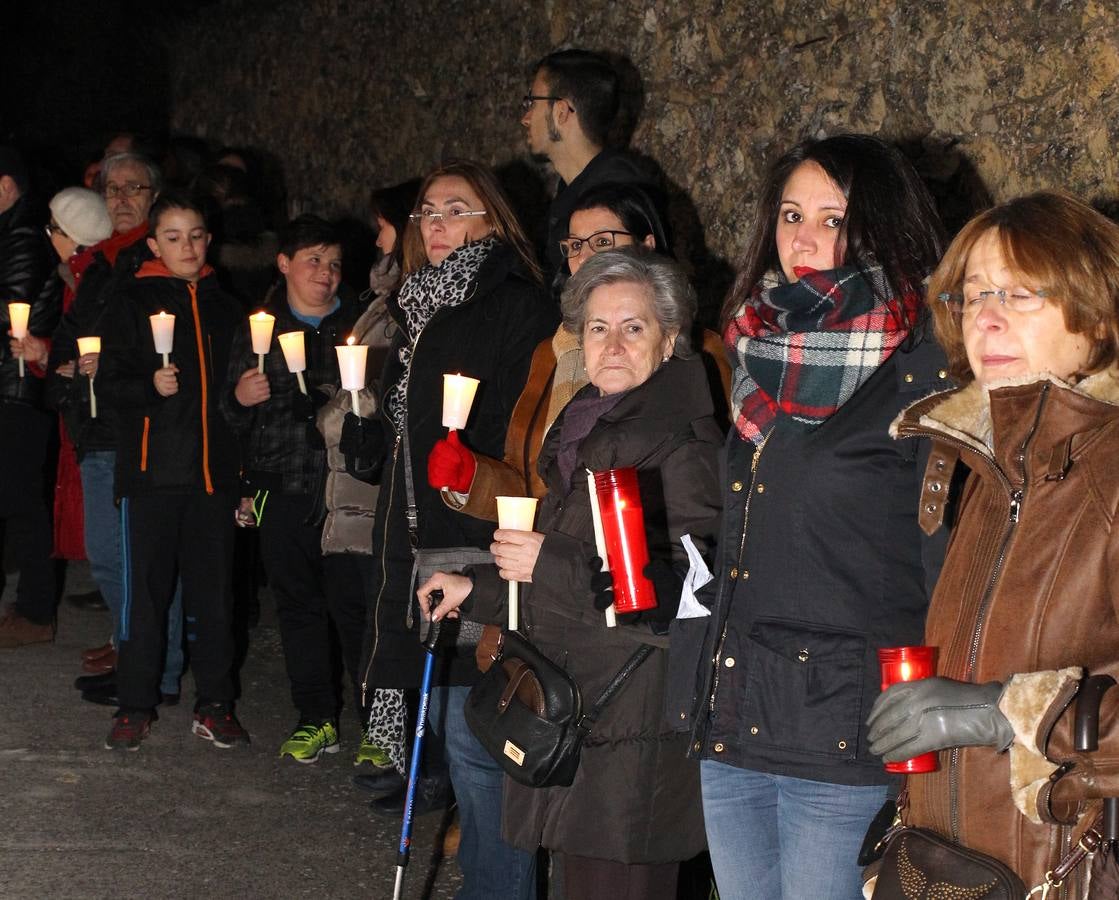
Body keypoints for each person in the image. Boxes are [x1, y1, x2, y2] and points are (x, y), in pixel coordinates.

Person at [676, 134, 951, 900]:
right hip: (733, 707)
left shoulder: (924, 367)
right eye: (791, 214)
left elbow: (945, 564)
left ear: (885, 227)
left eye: (835, 218)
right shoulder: (759, 350)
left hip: (845, 728)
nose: (805, 238)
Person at [421, 250, 719, 900]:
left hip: (632, 723)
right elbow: (569, 566)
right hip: (584, 706)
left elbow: (686, 600)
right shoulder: (589, 427)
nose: (611, 343)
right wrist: (481, 587)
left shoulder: (681, 448)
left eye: (632, 327)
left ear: (669, 339)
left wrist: (545, 564)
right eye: (597, 327)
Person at [865, 191, 1119, 898]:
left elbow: (1000, 705)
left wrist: (1001, 711)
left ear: (1095, 318)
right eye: (971, 294)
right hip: (953, 870)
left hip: (1070, 874)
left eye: (1021, 293)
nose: (986, 315)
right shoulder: (983, 461)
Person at [347, 160, 556, 897]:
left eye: (455, 209)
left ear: (492, 221)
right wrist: (366, 429)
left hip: (475, 549)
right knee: (447, 731)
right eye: (426, 212)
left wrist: (465, 461)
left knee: (478, 744)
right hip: (412, 545)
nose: (435, 225)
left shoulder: (514, 306)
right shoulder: (416, 306)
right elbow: (401, 441)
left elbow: (523, 436)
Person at [429, 181, 729, 521]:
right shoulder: (551, 353)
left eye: (602, 242)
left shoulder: (700, 355)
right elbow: (537, 488)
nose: (585, 258)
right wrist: (472, 478)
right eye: (574, 246)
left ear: (647, 246)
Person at [97, 190, 246, 751]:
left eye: (198, 235)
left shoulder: (226, 306)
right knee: (148, 596)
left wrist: (244, 398)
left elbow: (232, 395)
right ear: (155, 242)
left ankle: (216, 703)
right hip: (153, 474)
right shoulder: (130, 302)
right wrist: (146, 388)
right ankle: (135, 702)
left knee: (215, 599)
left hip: (212, 477)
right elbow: (108, 383)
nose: (188, 246)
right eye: (175, 237)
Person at [221, 214, 368, 765]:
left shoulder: (358, 325)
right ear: (284, 263)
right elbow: (228, 422)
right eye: (312, 260)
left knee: (356, 608)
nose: (325, 274)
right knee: (298, 608)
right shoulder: (256, 332)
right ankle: (315, 717)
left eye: (333, 263)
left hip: (346, 492)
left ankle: (377, 724)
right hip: (282, 489)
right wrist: (239, 399)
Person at [46, 152, 185, 707]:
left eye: (135, 188)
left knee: (142, 561)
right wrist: (61, 371)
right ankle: (139, 664)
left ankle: (157, 674)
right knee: (108, 556)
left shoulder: (156, 259)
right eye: (113, 189)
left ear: (154, 196)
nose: (123, 198)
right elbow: (74, 334)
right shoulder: (100, 266)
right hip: (99, 427)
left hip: (140, 429)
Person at [316, 180, 417, 778]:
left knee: (383, 620)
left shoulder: (408, 302)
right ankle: (384, 742)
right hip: (352, 488)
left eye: (381, 226)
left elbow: (383, 395)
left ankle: (398, 748)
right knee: (360, 616)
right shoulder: (382, 298)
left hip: (376, 489)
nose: (375, 238)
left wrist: (342, 411)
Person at [520, 49, 660, 280]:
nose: (525, 118)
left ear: (561, 111)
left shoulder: (620, 191)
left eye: (532, 103)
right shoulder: (573, 189)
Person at [0, 146, 63, 648]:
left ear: (5, 186)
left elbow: (13, 307)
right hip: (10, 380)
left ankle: (37, 611)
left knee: (22, 502)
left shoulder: (22, 237)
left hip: (17, 383)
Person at [42, 188, 114, 580]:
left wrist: (53, 358)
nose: (49, 237)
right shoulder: (76, 275)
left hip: (94, 413)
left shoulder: (89, 277)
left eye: (53, 228)